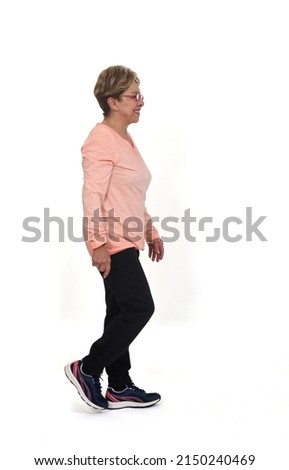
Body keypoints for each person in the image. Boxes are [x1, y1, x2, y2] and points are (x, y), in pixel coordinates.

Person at [65, 65, 164, 410]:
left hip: (127, 240)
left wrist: (149, 229)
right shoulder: (101, 139)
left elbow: (128, 196)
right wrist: (97, 244)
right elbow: (92, 197)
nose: (140, 102)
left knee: (119, 310)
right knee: (140, 307)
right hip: (112, 243)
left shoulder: (124, 139)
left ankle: (119, 385)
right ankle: (87, 368)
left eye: (140, 94)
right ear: (112, 101)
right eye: (133, 96)